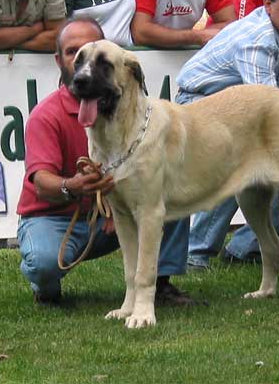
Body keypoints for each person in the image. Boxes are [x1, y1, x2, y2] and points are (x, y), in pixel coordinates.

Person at [16, 18, 195, 305]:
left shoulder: (138, 114)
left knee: (166, 192)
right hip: (56, 219)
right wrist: (73, 185)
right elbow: (41, 183)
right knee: (44, 262)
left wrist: (113, 206)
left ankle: (160, 283)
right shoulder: (45, 115)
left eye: (101, 61)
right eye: (75, 54)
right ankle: (45, 287)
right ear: (59, 60)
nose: (86, 68)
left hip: (107, 218)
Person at [175, 0, 279, 269]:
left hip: (253, 104)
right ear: (267, 6)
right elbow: (264, 111)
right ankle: (196, 254)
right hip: (199, 100)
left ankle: (246, 249)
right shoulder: (257, 41)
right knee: (241, 164)